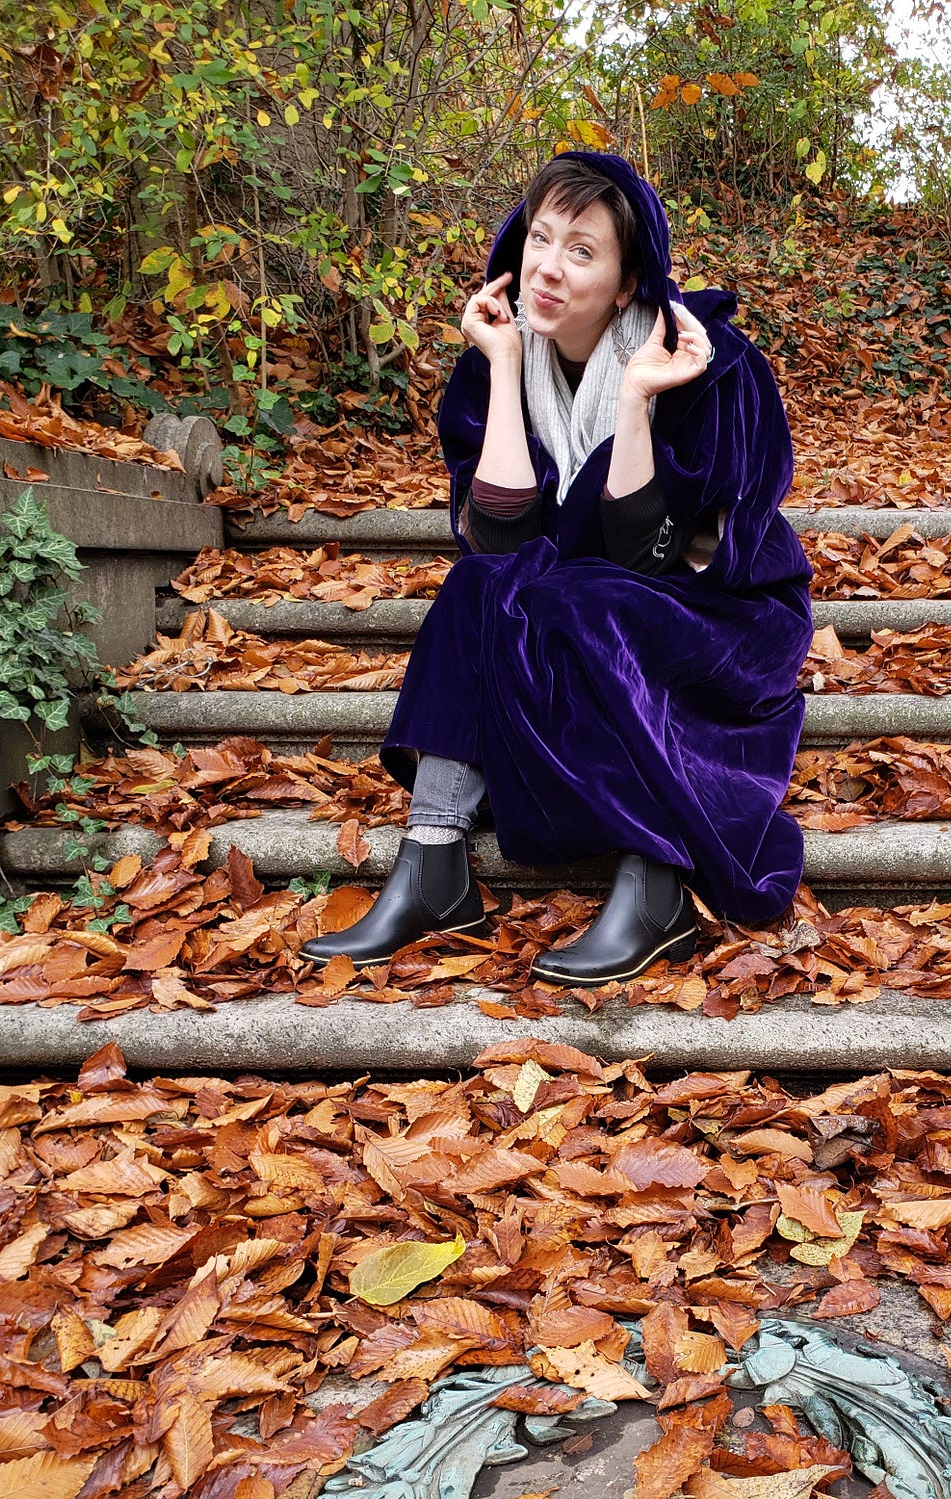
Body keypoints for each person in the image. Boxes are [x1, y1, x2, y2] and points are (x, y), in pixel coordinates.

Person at [302, 150, 814, 986]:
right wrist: (504, 368)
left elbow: (646, 558)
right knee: (482, 587)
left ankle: (656, 884)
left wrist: (635, 401)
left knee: (593, 597)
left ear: (624, 282)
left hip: (722, 613)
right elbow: (500, 547)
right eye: (540, 238)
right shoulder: (500, 360)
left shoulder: (708, 362)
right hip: (580, 601)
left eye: (582, 250)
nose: (547, 266)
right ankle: (434, 864)